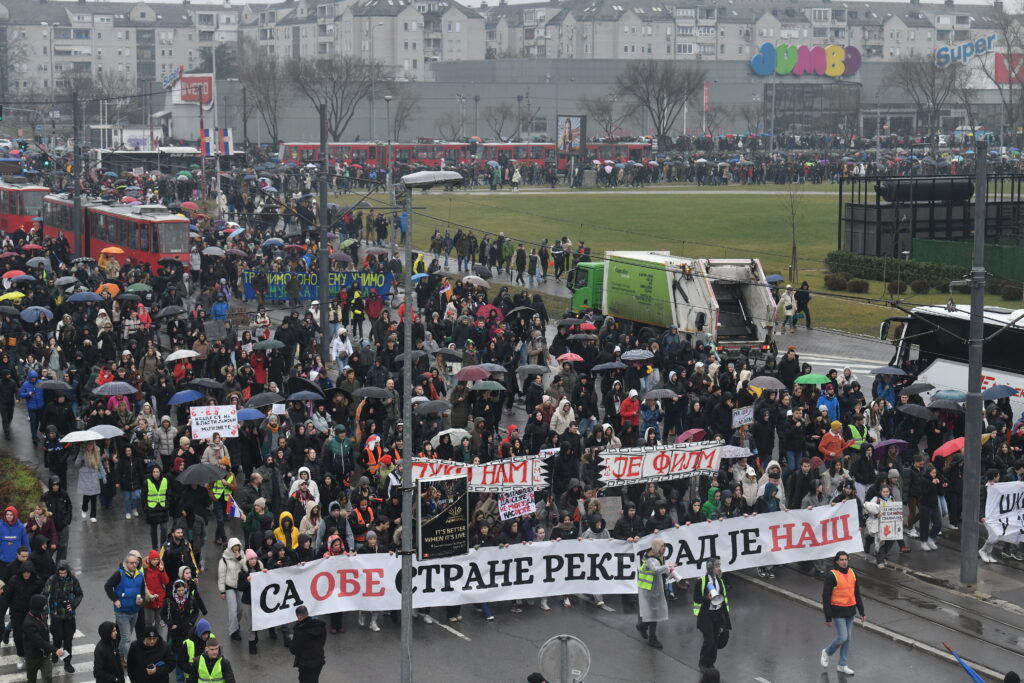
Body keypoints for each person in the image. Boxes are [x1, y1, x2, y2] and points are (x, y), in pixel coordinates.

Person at [820, 551, 865, 675]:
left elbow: (857, 593)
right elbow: (826, 597)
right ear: (836, 561)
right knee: (843, 637)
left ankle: (842, 665)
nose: (844, 562)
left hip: (850, 611)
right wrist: (828, 617)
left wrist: (862, 611)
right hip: (838, 611)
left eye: (846, 559)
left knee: (848, 639)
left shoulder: (852, 573)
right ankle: (827, 652)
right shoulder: (832, 575)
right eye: (841, 560)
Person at [103, 550, 145, 661]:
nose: (134, 565)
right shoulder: (119, 574)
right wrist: (115, 599)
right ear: (126, 563)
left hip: (134, 611)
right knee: (126, 638)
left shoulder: (140, 575)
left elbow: (142, 591)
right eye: (131, 563)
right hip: (122, 612)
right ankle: (128, 659)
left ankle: (119, 655)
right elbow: (107, 586)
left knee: (126, 637)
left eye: (135, 563)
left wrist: (141, 599)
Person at [42, 560, 82, 674]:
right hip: (56, 615)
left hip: (69, 616)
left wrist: (73, 604)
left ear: (68, 571)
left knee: (68, 640)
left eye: (64, 573)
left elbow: (79, 594)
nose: (62, 575)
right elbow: (45, 594)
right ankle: (55, 653)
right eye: (61, 573)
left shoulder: (73, 580)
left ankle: (67, 662)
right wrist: (44, 610)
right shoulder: (52, 580)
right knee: (57, 638)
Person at [693, 557, 731, 673]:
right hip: (706, 615)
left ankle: (711, 663)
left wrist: (725, 619)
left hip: (717, 615)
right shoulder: (702, 581)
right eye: (717, 566)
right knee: (709, 640)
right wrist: (707, 598)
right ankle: (703, 663)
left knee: (715, 641)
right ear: (710, 568)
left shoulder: (720, 581)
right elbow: (696, 598)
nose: (719, 569)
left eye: (719, 566)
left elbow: (723, 599)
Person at [636, 538, 673, 649]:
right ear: (657, 547)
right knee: (654, 614)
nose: (664, 548)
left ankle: (642, 626)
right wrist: (667, 567)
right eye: (662, 546)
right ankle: (652, 638)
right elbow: (655, 569)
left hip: (655, 588)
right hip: (649, 590)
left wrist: (669, 572)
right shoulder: (650, 559)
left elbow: (660, 571)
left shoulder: (659, 556)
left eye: (665, 546)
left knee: (654, 613)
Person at [23, 594, 65, 683]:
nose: (46, 607)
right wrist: (55, 650)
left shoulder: (43, 614)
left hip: (45, 655)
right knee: (31, 679)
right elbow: (38, 641)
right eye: (44, 605)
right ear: (38, 607)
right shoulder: (28, 623)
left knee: (48, 678)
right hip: (32, 657)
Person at [290, 605, 326, 683]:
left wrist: (292, 640)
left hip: (306, 664)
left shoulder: (299, 631)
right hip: (319, 660)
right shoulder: (321, 626)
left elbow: (294, 650)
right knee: (314, 680)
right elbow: (323, 642)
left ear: (298, 616)